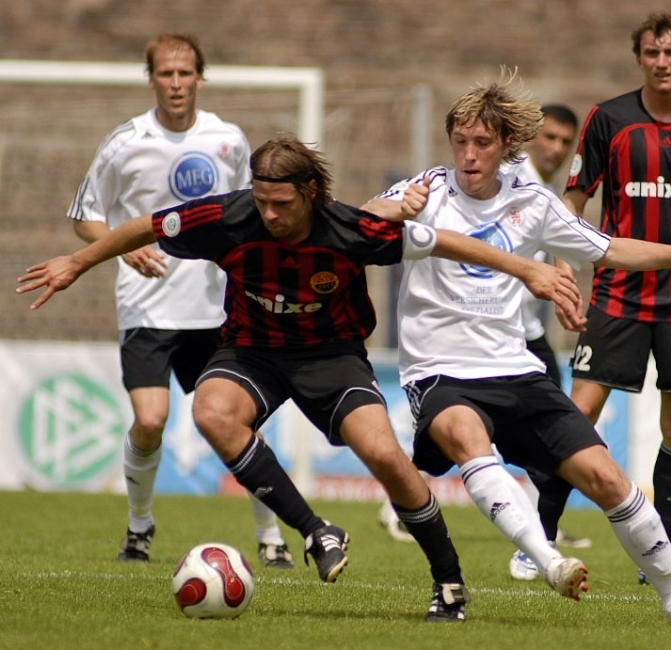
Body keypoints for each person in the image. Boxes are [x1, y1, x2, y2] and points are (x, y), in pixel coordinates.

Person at [19, 135, 584, 622]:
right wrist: (77, 262)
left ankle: (448, 581)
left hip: (332, 357)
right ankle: (316, 530)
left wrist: (527, 267)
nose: (269, 214)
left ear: (310, 193)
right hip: (252, 352)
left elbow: (441, 241)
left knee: (386, 457)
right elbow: (146, 225)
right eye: (262, 201)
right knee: (211, 412)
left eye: (281, 203)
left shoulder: (348, 229)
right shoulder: (226, 217)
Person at [362, 68, 671, 629]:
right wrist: (385, 212)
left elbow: (606, 249)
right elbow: (353, 226)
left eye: (481, 143)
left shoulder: (532, 201)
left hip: (515, 371)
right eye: (459, 141)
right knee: (467, 436)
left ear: (507, 145)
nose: (468, 154)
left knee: (608, 479)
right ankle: (548, 559)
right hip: (439, 371)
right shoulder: (427, 190)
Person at [65, 33, 294, 568]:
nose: (175, 83)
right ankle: (139, 529)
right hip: (146, 306)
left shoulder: (228, 139)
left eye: (185, 73)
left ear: (199, 77)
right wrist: (122, 251)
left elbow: (252, 213)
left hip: (215, 308)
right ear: (151, 79)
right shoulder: (125, 142)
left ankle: (270, 535)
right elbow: (83, 217)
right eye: (165, 74)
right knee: (150, 421)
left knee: (240, 422)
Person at [554, 11, 671, 586]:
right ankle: (539, 535)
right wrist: (565, 272)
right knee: (577, 412)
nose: (662, 62)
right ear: (639, 58)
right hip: (618, 292)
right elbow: (572, 202)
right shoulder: (609, 119)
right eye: (652, 53)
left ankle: (656, 551)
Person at [503, 104, 592, 582]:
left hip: (529, 335)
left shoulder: (550, 190)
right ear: (532, 138)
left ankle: (540, 533)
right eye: (549, 138)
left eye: (565, 141)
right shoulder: (512, 180)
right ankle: (404, 508)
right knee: (455, 433)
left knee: (553, 429)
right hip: (494, 337)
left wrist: (563, 278)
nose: (556, 148)